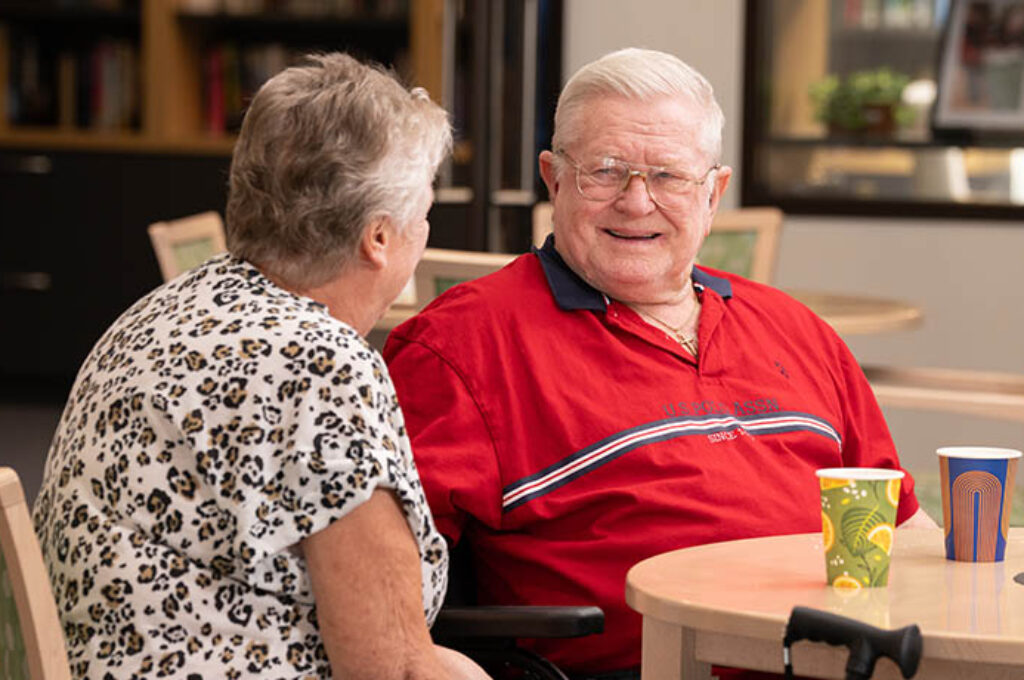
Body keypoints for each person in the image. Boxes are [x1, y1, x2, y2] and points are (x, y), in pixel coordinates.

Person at [382, 47, 936, 680]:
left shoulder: (796, 329)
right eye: (607, 171)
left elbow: (906, 530)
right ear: (554, 178)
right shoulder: (458, 346)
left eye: (668, 177)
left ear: (714, 193)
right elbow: (379, 606)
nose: (637, 202)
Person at [32, 53, 488, 680]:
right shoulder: (320, 367)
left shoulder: (164, 307)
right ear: (378, 238)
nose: (427, 228)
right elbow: (393, 670)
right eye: (425, 212)